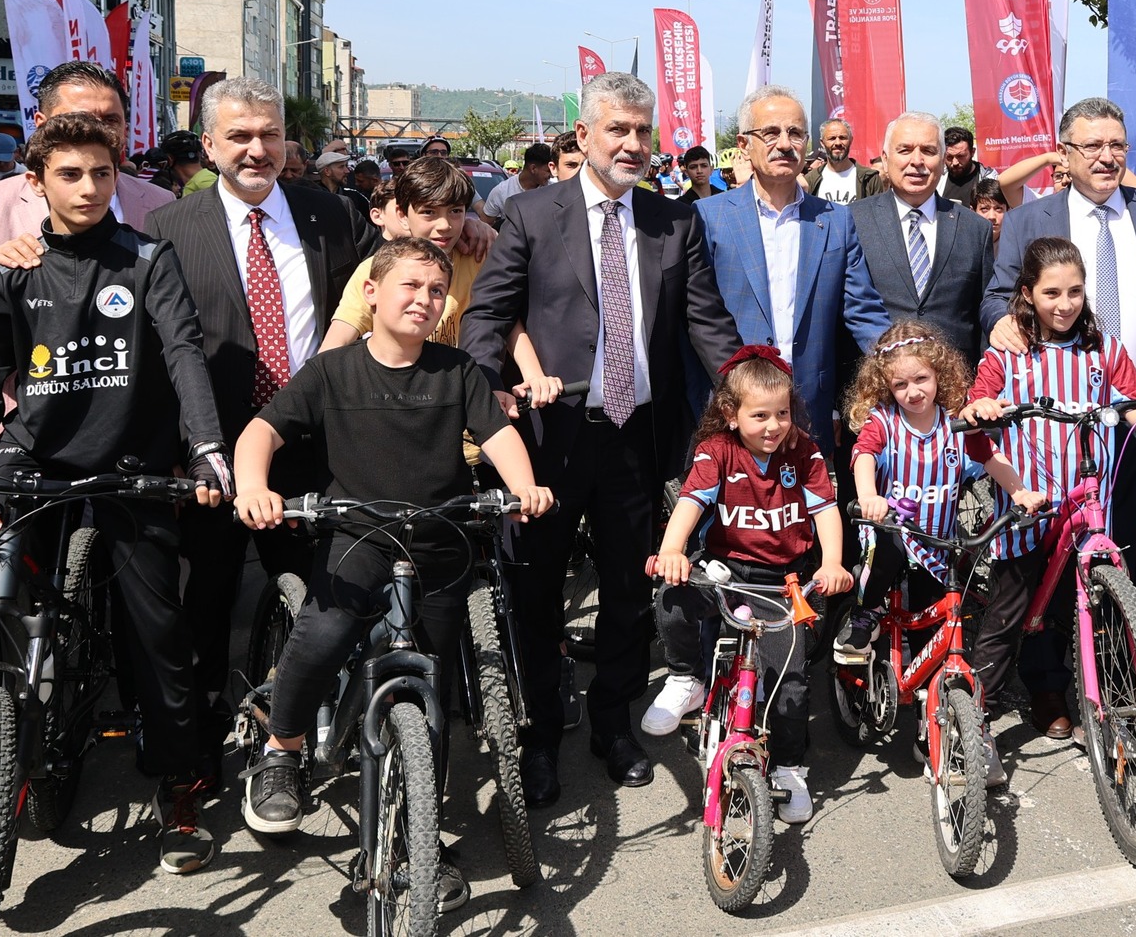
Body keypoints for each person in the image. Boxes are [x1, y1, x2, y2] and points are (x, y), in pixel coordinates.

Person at [0, 111, 232, 876]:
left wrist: (206, 450)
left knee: (157, 631)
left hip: (131, 464)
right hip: (33, 459)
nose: (89, 186)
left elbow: (184, 352)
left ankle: (178, 782)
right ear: (36, 182)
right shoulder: (16, 265)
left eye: (102, 172)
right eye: (69, 174)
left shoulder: (149, 257)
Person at [232, 237, 553, 907]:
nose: (424, 300)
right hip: (359, 537)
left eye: (436, 291)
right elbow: (261, 431)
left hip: (439, 541)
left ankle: (417, 837)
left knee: (434, 689)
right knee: (323, 635)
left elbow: (497, 434)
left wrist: (523, 485)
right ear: (372, 293)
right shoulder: (332, 371)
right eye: (410, 285)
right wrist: (254, 485)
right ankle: (283, 749)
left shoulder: (457, 370)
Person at [460, 72, 740, 803]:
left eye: (644, 131)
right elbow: (487, 314)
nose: (633, 144)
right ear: (583, 135)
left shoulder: (674, 221)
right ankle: (540, 733)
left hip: (635, 438)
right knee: (537, 592)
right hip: (548, 440)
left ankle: (613, 722)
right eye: (618, 129)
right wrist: (486, 391)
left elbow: (707, 322)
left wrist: (748, 390)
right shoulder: (530, 213)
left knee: (626, 590)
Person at [141, 77, 377, 761]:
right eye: (239, 136)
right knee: (208, 597)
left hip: (313, 444)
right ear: (210, 144)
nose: (256, 149)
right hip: (212, 450)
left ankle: (295, 729)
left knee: (317, 599)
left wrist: (472, 225)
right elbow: (156, 352)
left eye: (269, 134)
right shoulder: (169, 228)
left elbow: (390, 267)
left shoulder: (330, 214)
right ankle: (201, 737)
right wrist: (177, 447)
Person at [983, 97, 1136, 563]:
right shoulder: (1029, 219)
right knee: (1053, 543)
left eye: (1117, 145)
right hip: (1057, 411)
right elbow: (997, 297)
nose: (1107, 157)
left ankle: (1117, 608)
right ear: (1064, 153)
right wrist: (1002, 323)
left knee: (1127, 537)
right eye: (1092, 146)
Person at [963, 237, 1136, 741]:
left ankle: (1096, 699)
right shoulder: (1008, 352)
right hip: (1026, 502)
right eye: (1051, 293)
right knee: (1013, 609)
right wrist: (981, 408)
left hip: (1090, 503)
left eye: (1075, 292)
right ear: (1028, 293)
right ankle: (975, 718)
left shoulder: (1105, 349)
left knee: (1083, 605)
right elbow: (975, 414)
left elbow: (1133, 411)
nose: (1065, 304)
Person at [643, 347, 851, 825]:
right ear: (730, 414)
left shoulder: (804, 452)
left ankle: (790, 767)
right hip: (726, 569)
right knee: (673, 598)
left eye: (782, 413)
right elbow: (692, 502)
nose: (774, 426)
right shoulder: (717, 451)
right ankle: (686, 679)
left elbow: (825, 511)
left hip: (783, 579)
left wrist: (833, 562)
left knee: (790, 685)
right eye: (760, 416)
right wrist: (672, 550)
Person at [837, 320, 1023, 785]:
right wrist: (868, 496)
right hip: (889, 534)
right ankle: (865, 613)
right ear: (886, 386)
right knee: (886, 555)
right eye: (900, 384)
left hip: (936, 547)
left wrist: (1020, 492)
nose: (913, 391)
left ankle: (930, 729)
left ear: (940, 374)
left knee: (933, 640)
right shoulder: (885, 422)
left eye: (921, 378)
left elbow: (989, 458)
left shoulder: (955, 423)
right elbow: (864, 455)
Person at [700, 85, 891, 455]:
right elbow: (700, 318)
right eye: (770, 133)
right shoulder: (710, 217)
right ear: (743, 144)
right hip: (732, 408)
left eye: (795, 133)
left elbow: (863, 310)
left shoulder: (836, 221)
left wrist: (903, 357)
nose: (785, 144)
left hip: (808, 410)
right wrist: (738, 385)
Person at [0, 62, 175, 314]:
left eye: (111, 120)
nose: (97, 130)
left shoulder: (160, 202)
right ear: (41, 124)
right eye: (80, 119)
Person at [851, 112, 995, 368]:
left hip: (955, 382)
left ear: (943, 160)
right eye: (904, 150)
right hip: (875, 379)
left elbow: (984, 312)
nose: (917, 161)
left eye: (928, 151)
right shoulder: (852, 221)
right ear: (885, 158)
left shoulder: (975, 228)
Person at [323, 157, 478, 349]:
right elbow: (336, 342)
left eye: (455, 211)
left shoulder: (481, 258)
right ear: (403, 215)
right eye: (429, 212)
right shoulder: (376, 269)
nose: (444, 225)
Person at [804, 118, 883, 205]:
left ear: (851, 140)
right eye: (832, 138)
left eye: (842, 138)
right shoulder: (810, 180)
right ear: (822, 143)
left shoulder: (870, 179)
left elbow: (879, 211)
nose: (838, 143)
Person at [482, 142, 553, 227]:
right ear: (533, 168)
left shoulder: (553, 191)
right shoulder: (502, 191)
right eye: (548, 171)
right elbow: (485, 224)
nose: (551, 175)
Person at [938, 125, 994, 206]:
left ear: (972, 152)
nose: (955, 162)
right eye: (949, 157)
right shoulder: (936, 179)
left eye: (960, 156)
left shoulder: (990, 178)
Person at [969, 178, 1009, 244]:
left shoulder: (1015, 243)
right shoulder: (962, 241)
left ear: (1008, 210)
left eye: (998, 208)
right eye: (984, 209)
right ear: (973, 211)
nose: (992, 217)